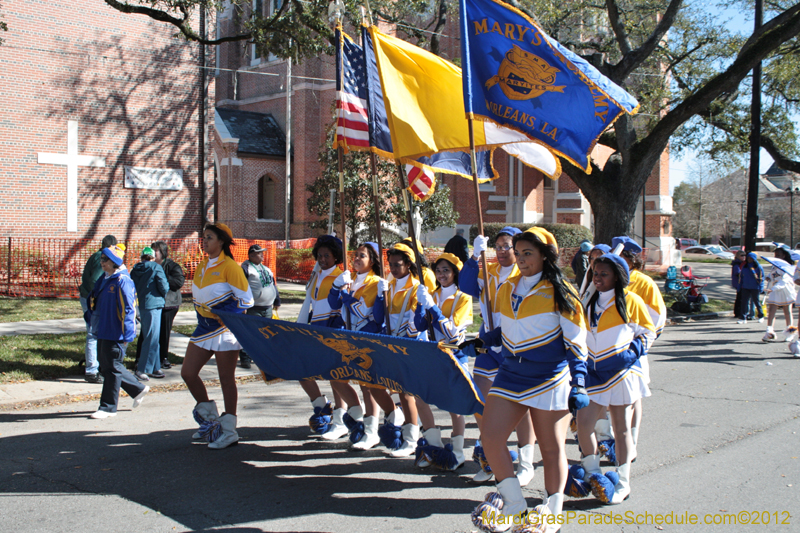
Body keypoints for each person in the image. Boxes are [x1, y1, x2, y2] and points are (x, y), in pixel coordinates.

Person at [471, 227, 588, 532]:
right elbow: (509, 329)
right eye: (518, 253)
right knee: (491, 438)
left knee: (551, 450)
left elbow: (576, 343)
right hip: (510, 374)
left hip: (549, 378)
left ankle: (552, 511)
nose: (521, 259)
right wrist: (482, 341)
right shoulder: (508, 286)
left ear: (545, 256)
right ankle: (515, 504)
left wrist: (580, 383)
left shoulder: (561, 291)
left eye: (528, 253)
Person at [575, 254, 656, 505]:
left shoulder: (631, 301)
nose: (598, 278)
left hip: (621, 373)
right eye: (595, 273)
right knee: (583, 426)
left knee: (621, 430)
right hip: (595, 374)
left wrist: (632, 353)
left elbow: (648, 331)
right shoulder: (587, 300)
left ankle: (622, 482)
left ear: (617, 277)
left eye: (604, 274)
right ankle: (594, 474)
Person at [460, 226, 537, 486]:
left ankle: (526, 462)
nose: (503, 251)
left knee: (521, 404)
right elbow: (465, 285)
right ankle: (493, 457)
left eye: (508, 246)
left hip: (513, 344)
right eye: (499, 246)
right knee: (481, 400)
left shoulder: (522, 274)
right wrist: (473, 257)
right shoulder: (487, 271)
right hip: (487, 343)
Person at [182, 223, 254, 449]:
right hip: (203, 328)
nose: (205, 241)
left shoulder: (230, 266)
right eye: (203, 237)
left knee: (226, 379)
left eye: (209, 237)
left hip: (226, 330)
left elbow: (247, 300)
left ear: (221, 241)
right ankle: (211, 422)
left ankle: (230, 430)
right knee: (188, 373)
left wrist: (226, 316)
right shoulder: (203, 265)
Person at [327, 242, 398, 450]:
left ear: (373, 260)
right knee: (336, 377)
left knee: (368, 386)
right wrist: (335, 287)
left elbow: (365, 312)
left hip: (366, 338)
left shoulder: (375, 281)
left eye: (362, 256)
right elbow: (334, 305)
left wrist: (347, 297)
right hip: (346, 337)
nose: (356, 258)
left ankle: (372, 431)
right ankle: (356, 414)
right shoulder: (349, 279)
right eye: (355, 255)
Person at [297, 235, 363, 441]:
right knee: (302, 370)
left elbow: (341, 307)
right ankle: (321, 407)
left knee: (337, 378)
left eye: (327, 255)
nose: (322, 258)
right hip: (315, 332)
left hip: (334, 332)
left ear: (336, 256)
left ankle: (346, 419)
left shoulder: (340, 275)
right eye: (320, 255)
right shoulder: (316, 275)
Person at [413, 253, 473, 470]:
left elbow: (453, 335)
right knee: (420, 397)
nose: (441, 275)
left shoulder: (464, 297)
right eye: (438, 271)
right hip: (433, 355)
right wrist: (420, 305)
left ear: (455, 272)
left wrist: (432, 307)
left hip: (455, 355)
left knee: (454, 406)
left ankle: (457, 452)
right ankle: (434, 446)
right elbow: (418, 327)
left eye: (446, 270)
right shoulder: (432, 294)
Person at [373, 243, 426, 457]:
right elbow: (379, 318)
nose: (393, 268)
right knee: (386, 387)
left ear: (409, 264)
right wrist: (380, 297)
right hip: (391, 342)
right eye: (390, 264)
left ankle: (412, 440)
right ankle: (403, 426)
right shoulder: (389, 285)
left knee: (407, 393)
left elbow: (415, 325)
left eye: (398, 264)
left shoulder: (415, 287)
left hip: (409, 345)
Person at [87, 244, 149, 419]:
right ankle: (137, 389)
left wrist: (128, 334)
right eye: (101, 259)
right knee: (107, 365)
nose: (102, 262)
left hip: (116, 332)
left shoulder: (123, 281)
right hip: (103, 329)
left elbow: (129, 309)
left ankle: (107, 407)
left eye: (105, 259)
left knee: (112, 367)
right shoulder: (106, 278)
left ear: (114, 262)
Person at [618, 237, 666, 455]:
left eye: (620, 257)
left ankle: (632, 440)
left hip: (633, 348)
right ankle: (613, 440)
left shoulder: (643, 282)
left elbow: (656, 317)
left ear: (630, 260)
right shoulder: (609, 280)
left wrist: (641, 344)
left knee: (633, 395)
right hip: (610, 349)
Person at [79, 234, 117, 384]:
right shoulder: (100, 258)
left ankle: (97, 364)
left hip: (91, 297)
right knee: (93, 333)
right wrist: (100, 298)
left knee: (97, 333)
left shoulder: (98, 256)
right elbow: (95, 280)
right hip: (92, 299)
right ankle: (91, 370)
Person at [240, 244, 281, 369]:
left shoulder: (266, 269)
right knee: (251, 333)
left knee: (265, 334)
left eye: (262, 252)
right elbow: (241, 287)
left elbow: (273, 285)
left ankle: (260, 357)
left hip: (267, 307)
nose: (262, 255)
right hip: (253, 307)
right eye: (259, 253)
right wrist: (243, 306)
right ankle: (245, 358)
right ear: (251, 255)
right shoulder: (246, 268)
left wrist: (277, 300)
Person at [131, 247, 169, 381]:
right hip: (154, 304)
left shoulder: (135, 269)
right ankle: (142, 368)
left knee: (152, 336)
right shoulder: (156, 267)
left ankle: (155, 366)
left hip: (143, 303)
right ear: (153, 257)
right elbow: (164, 286)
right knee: (151, 337)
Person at [151, 241, 185, 369]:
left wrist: (162, 276)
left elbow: (178, 282)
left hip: (169, 304)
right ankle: (147, 357)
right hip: (153, 303)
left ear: (163, 252)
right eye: (152, 250)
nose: (154, 253)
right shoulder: (150, 265)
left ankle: (163, 357)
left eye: (156, 250)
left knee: (164, 331)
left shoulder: (172, 266)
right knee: (151, 332)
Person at [762, 245, 796, 342]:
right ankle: (769, 331)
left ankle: (790, 332)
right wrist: (768, 277)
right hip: (775, 290)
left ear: (784, 255)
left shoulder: (787, 266)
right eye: (775, 254)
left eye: (778, 255)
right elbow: (772, 274)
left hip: (785, 290)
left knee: (787, 312)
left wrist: (773, 288)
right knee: (771, 310)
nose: (776, 256)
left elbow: (784, 281)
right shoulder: (775, 265)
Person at [738, 252, 765, 324]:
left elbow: (761, 278)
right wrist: (739, 286)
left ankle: (761, 316)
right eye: (748, 258)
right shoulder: (745, 266)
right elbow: (741, 277)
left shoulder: (758, 267)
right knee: (744, 302)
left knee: (756, 302)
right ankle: (743, 317)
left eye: (751, 258)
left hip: (755, 287)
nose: (749, 260)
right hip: (745, 287)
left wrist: (761, 287)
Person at [731, 251, 746, 320]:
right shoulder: (737, 264)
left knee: (741, 297)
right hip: (738, 283)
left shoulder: (742, 263)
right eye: (741, 255)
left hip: (740, 283)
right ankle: (737, 312)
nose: (743, 257)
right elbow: (737, 272)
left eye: (744, 255)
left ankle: (739, 312)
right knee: (739, 298)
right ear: (737, 256)